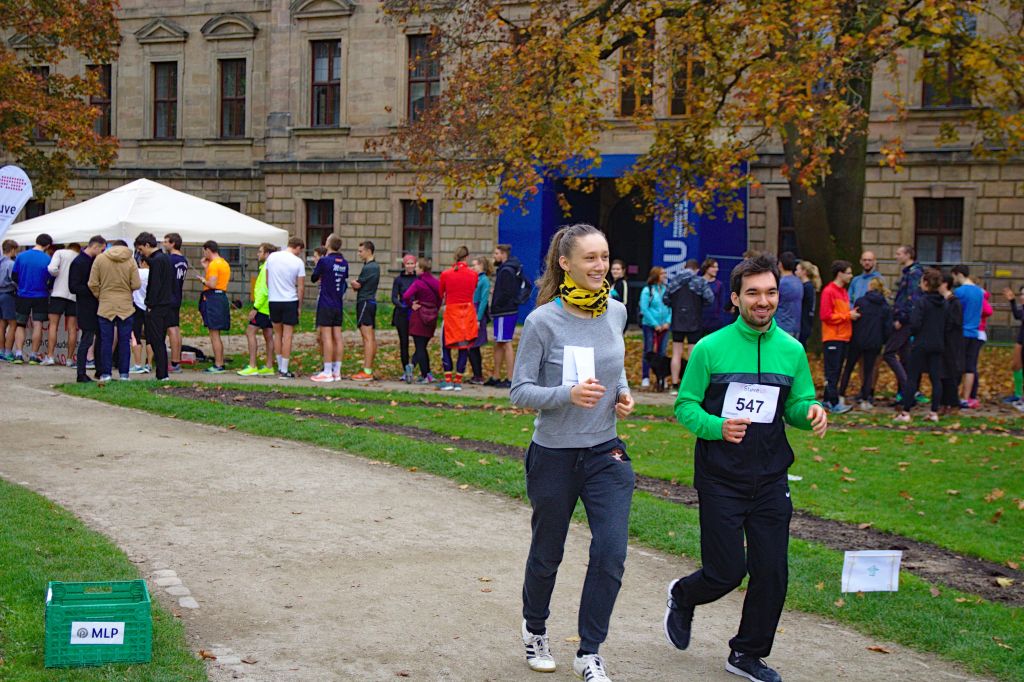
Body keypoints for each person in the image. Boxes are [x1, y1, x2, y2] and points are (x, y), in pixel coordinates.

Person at [665, 254, 827, 682]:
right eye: (753, 293)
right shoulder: (710, 348)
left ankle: (746, 654)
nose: (763, 301)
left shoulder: (791, 350)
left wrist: (810, 411)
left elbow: (795, 404)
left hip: (771, 477)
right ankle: (683, 596)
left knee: (772, 571)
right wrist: (718, 427)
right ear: (735, 298)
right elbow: (685, 407)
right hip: (720, 476)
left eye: (770, 292)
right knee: (726, 572)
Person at [510, 223, 634, 682]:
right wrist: (565, 394)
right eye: (590, 258)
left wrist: (620, 391)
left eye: (604, 257)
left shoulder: (617, 312)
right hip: (555, 455)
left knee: (611, 551)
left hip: (605, 452)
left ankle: (589, 651)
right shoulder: (543, 321)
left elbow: (613, 368)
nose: (600, 266)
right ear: (565, 264)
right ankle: (535, 630)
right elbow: (519, 392)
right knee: (548, 551)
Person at [895, 269, 946, 423]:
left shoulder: (921, 302)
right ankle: (934, 411)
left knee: (912, 377)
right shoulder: (944, 303)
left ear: (925, 283)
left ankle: (906, 411)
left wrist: (914, 332)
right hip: (937, 343)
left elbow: (915, 323)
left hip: (921, 343)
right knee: (936, 379)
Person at [88, 240, 141, 382]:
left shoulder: (100, 259)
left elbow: (92, 283)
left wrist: (101, 295)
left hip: (106, 305)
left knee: (106, 340)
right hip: (125, 306)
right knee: (125, 340)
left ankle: (106, 373)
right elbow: (136, 284)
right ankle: (124, 374)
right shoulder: (131, 261)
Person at [839, 277, 891, 409]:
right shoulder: (885, 306)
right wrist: (883, 340)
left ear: (870, 287)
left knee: (849, 368)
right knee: (868, 371)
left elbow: (854, 321)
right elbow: (887, 328)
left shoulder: (861, 302)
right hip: (874, 342)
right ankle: (865, 399)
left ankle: (841, 395)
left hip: (857, 340)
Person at [665, 259, 714, 394]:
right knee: (692, 354)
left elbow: (665, 298)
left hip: (677, 321)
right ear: (697, 270)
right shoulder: (700, 282)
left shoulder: (674, 281)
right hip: (694, 321)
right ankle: (690, 385)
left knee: (676, 353)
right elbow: (710, 298)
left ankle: (674, 385)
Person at [883, 245, 924, 403]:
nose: (896, 256)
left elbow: (912, 299)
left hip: (905, 321)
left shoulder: (914, 274)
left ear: (908, 255)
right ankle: (905, 392)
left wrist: (902, 318)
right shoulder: (908, 273)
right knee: (905, 357)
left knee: (889, 353)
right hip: (904, 318)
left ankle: (908, 390)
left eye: (899, 253)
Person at [820, 260, 859, 413]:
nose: (851, 276)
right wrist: (848, 315)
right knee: (832, 371)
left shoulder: (843, 291)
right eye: (848, 272)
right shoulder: (829, 291)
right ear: (840, 273)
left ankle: (827, 400)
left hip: (843, 336)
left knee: (835, 370)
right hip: (833, 336)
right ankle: (834, 402)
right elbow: (826, 315)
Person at [134, 232, 175, 380]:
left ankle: (162, 374)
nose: (140, 252)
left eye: (140, 249)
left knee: (156, 340)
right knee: (160, 340)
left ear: (147, 245)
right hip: (166, 303)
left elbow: (155, 284)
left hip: (156, 305)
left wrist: (149, 304)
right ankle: (162, 373)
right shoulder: (164, 258)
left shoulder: (157, 261)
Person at [438, 245, 479, 391]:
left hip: (451, 313)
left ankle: (448, 380)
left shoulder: (446, 274)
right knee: (464, 347)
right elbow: (473, 289)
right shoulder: (473, 275)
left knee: (446, 346)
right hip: (467, 313)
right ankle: (458, 381)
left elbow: (441, 292)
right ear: (467, 257)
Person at [265, 237, 306, 379]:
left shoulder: (272, 257)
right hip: (290, 300)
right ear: (298, 247)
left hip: (274, 299)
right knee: (287, 335)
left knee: (277, 334)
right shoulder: (298, 262)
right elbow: (300, 287)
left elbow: (266, 279)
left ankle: (279, 365)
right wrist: (299, 306)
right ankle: (284, 369)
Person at [310, 235, 348, 382]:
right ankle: (337, 371)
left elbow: (314, 277)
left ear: (329, 244)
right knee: (337, 336)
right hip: (338, 304)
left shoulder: (324, 261)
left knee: (327, 337)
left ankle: (327, 371)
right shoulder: (344, 262)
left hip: (325, 303)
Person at [11, 233, 54, 364]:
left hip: (22, 294)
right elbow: (51, 279)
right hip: (40, 295)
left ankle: (18, 354)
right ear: (47, 245)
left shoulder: (21, 256)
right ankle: (34, 355)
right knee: (38, 325)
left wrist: (22, 285)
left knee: (20, 324)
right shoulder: (48, 259)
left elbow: (14, 276)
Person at [68, 236, 106, 382]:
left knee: (100, 337)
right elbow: (73, 287)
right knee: (87, 339)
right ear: (95, 247)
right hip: (85, 306)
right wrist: (93, 289)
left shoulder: (93, 261)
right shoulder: (79, 262)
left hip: (96, 305)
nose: (102, 253)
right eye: (101, 249)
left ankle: (100, 369)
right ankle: (81, 372)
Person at [237, 243, 278, 377]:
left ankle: (253, 365)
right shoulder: (269, 267)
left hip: (262, 307)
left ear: (267, 254)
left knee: (250, 332)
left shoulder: (267, 267)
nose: (257, 254)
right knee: (268, 335)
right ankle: (269, 366)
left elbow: (264, 290)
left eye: (260, 251)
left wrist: (255, 307)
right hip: (269, 307)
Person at [487, 243, 522, 388]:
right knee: (499, 343)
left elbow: (507, 292)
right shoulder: (511, 268)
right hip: (507, 310)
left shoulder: (506, 270)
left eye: (496, 254)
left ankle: (510, 377)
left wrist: (497, 304)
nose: (494, 256)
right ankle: (496, 375)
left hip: (504, 311)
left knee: (506, 342)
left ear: (503, 254)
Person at [402, 257, 440, 383]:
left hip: (419, 316)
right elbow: (441, 297)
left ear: (422, 269)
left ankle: (424, 374)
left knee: (420, 346)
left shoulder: (418, 283)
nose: (415, 269)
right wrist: (435, 309)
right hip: (432, 317)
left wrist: (411, 304)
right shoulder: (436, 282)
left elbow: (406, 296)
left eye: (417, 267)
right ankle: (426, 372)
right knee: (423, 345)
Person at [951, 265, 984, 408]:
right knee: (970, 367)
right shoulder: (979, 292)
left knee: (957, 365)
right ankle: (966, 397)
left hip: (961, 332)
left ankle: (953, 396)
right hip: (975, 332)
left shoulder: (959, 292)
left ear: (958, 274)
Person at [197, 240, 231, 373]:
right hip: (221, 296)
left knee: (214, 333)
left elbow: (212, 283)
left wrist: (202, 280)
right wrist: (206, 267)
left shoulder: (214, 265)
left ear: (208, 250)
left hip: (212, 298)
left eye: (204, 251)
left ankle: (218, 364)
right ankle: (220, 361)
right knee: (216, 332)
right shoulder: (223, 263)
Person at [45, 242, 80, 366]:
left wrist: (57, 273)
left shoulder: (60, 253)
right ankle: (70, 359)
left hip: (58, 293)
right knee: (72, 328)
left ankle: (50, 356)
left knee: (53, 325)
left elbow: (51, 268)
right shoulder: (80, 257)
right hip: (73, 296)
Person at [350, 240, 380, 381]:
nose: (359, 253)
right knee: (371, 337)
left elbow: (358, 285)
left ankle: (367, 370)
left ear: (369, 251)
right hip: (371, 302)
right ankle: (369, 368)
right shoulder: (374, 266)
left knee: (367, 337)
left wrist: (353, 283)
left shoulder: (370, 267)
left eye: (361, 251)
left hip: (365, 302)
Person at [639, 266, 670, 388]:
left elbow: (671, 307)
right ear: (656, 275)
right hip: (650, 325)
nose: (665, 276)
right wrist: (655, 324)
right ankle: (645, 377)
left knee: (662, 352)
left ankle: (662, 379)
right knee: (648, 351)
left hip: (665, 326)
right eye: (662, 274)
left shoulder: (666, 290)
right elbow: (644, 308)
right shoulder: (647, 290)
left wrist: (668, 322)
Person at [163, 233, 189, 373]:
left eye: (166, 242)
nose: (164, 244)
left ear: (173, 243)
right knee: (176, 328)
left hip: (169, 297)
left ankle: (174, 361)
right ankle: (176, 358)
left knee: (171, 329)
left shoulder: (170, 260)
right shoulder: (183, 260)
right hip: (177, 296)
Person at [940, 273, 965, 415]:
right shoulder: (943, 301)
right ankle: (944, 402)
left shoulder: (954, 302)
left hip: (952, 343)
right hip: (943, 341)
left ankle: (953, 403)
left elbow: (955, 322)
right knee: (942, 374)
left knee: (950, 373)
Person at [391, 254, 418, 382]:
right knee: (404, 343)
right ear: (404, 265)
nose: (410, 266)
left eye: (412, 263)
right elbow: (394, 297)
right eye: (408, 263)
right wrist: (402, 305)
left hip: (415, 313)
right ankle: (405, 369)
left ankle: (413, 365)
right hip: (402, 313)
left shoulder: (418, 279)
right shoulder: (399, 279)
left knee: (419, 343)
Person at [468, 255, 493, 384]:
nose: (472, 267)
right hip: (471, 312)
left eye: (475, 265)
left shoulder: (484, 280)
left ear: (482, 265)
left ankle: (478, 375)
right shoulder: (476, 279)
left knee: (474, 346)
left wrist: (478, 318)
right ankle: (476, 374)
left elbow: (483, 300)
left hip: (477, 313)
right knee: (471, 346)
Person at [968, 281, 994, 404]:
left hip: (977, 332)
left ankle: (971, 395)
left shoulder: (979, 296)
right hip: (974, 331)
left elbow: (988, 311)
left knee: (970, 365)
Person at [1002, 284, 1024, 408]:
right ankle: (1018, 393)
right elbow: (1018, 315)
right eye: (1021, 294)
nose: (1022, 297)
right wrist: (1012, 301)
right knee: (1016, 365)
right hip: (1021, 338)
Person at [129, 255, 151, 374]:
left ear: (142, 262)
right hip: (149, 306)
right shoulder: (153, 274)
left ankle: (137, 364)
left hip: (136, 305)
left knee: (135, 335)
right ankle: (149, 364)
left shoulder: (136, 272)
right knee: (150, 336)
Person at [774, 252, 803, 338]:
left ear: (780, 265)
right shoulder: (799, 282)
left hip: (781, 326)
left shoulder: (781, 284)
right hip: (796, 327)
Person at [699, 258, 730, 337]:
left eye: (717, 267)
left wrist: (719, 319)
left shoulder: (719, 284)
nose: (716, 269)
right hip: (699, 321)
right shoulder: (698, 282)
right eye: (713, 267)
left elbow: (721, 303)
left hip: (714, 322)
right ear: (706, 268)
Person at [0, 239, 18, 361]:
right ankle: (7, 351)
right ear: (12, 250)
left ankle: (1, 351)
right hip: (8, 294)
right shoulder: (11, 264)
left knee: (1, 324)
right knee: (13, 324)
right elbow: (14, 280)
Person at [796, 260, 820, 347]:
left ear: (804, 272)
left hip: (804, 323)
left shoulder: (807, 287)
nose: (795, 272)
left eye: (797, 269)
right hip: (806, 322)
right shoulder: (809, 286)